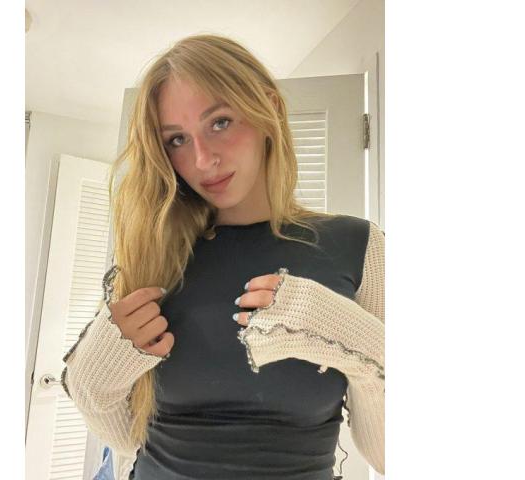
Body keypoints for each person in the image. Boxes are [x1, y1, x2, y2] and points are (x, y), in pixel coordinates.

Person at [61, 34, 385, 480]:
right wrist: (94, 372)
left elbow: (385, 453)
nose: (202, 159)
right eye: (177, 139)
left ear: (268, 108)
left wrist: (354, 339)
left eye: (220, 123)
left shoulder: (357, 245)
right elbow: (123, 437)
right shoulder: (155, 254)